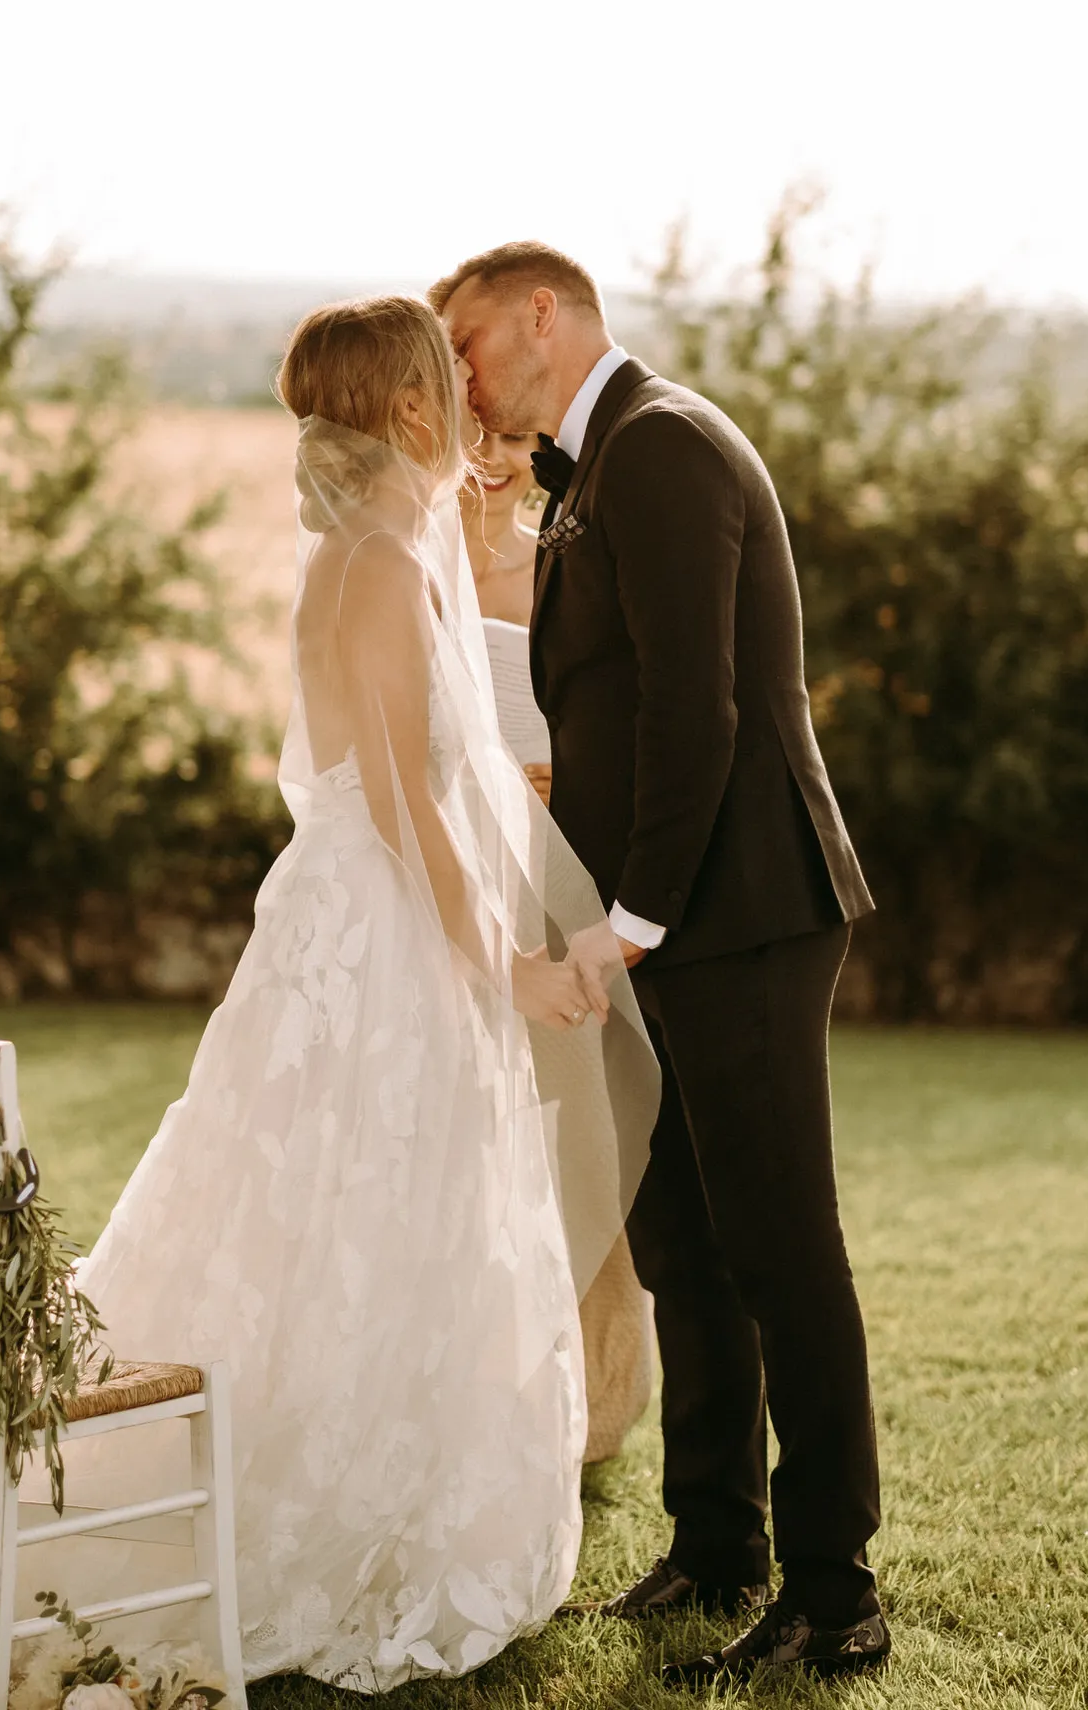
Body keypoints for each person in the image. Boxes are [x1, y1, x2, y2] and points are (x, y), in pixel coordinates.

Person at [0, 296, 661, 1704]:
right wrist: (517, 965)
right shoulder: (369, 564)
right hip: (377, 948)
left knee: (370, 1216)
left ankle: (389, 1480)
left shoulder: (377, 548)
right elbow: (418, 815)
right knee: (350, 1213)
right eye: (448, 388)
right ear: (414, 413)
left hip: (362, 928)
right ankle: (324, 1516)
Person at [431, 242, 890, 1685]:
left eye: (470, 344)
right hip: (673, 920)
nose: (461, 376)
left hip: (739, 911)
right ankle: (716, 1540)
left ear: (544, 316)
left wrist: (629, 919)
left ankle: (835, 1588)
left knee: (776, 1246)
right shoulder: (596, 465)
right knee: (682, 1243)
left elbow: (703, 710)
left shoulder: (666, 446)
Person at [457, 408, 654, 1470]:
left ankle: (593, 1395)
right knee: (472, 1130)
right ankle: (472, 1385)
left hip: (565, 869)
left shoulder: (568, 561)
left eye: (507, 439)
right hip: (461, 877)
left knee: (580, 1128)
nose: (490, 459)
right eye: (468, 436)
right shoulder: (407, 567)